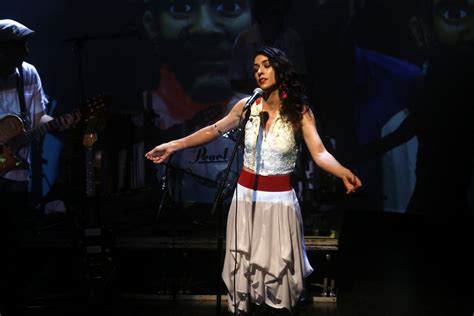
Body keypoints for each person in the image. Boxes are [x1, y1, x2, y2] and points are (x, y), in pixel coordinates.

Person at [146, 46, 361, 315]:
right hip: (246, 199)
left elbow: (319, 152)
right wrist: (174, 145)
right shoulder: (247, 106)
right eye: (256, 67)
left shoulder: (299, 111)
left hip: (279, 203)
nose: (259, 71)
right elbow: (214, 130)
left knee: (278, 274)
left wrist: (343, 172)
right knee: (244, 272)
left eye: (266, 65)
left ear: (280, 69)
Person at [136, 0, 252, 211]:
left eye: (229, 7)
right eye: (181, 8)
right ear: (151, 23)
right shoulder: (146, 106)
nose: (205, 28)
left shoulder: (257, 105)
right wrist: (173, 144)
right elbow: (213, 130)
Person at [0, 19, 78, 314]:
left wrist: (61, 124)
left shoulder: (27, 74)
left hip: (16, 172)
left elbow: (38, 118)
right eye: (20, 46)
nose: (26, 51)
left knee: (14, 240)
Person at [228, 0, 307, 94]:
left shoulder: (291, 38)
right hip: (251, 99)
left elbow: (301, 76)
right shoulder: (244, 40)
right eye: (269, 10)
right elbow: (235, 81)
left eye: (277, 12)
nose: (273, 16)